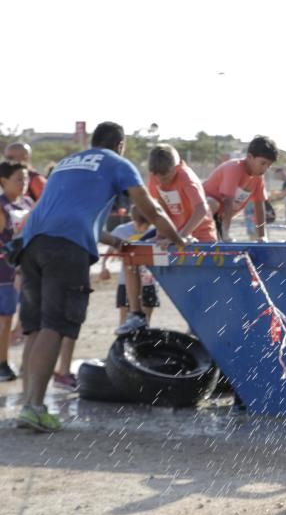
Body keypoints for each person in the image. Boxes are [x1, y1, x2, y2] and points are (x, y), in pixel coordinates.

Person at [14, 122, 185, 433]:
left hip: (32, 244)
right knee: (56, 325)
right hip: (65, 251)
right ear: (120, 145)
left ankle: (27, 404)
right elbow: (152, 210)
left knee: (35, 327)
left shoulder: (67, 163)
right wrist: (180, 240)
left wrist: (113, 240)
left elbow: (65, 213)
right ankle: (35, 408)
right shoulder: (117, 163)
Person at [111, 144, 216, 335]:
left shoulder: (186, 177)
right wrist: (162, 235)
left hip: (198, 236)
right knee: (131, 253)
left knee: (197, 286)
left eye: (167, 178)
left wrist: (181, 236)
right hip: (172, 235)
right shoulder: (154, 178)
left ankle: (200, 324)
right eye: (158, 179)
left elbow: (201, 209)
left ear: (175, 168)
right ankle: (136, 314)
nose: (163, 183)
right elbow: (157, 210)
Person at [203, 135, 277, 242]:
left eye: (269, 165)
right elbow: (228, 201)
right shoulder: (234, 168)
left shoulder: (258, 177)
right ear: (250, 157)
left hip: (217, 218)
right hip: (198, 213)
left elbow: (259, 206)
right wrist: (226, 234)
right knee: (213, 203)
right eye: (263, 163)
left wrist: (262, 236)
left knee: (218, 249)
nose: (265, 168)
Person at [0, 162, 34, 381]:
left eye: (25, 179)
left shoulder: (29, 202)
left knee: (24, 317)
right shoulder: (1, 206)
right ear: (3, 181)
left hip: (25, 269)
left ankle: (26, 363)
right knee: (5, 318)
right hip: (3, 271)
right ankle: (2, 363)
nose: (23, 184)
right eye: (18, 179)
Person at [103, 206, 159, 331]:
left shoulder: (156, 231)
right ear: (133, 219)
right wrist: (104, 267)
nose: (143, 229)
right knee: (125, 320)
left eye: (146, 226)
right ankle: (124, 346)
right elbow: (109, 253)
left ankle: (142, 346)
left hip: (148, 281)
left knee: (145, 321)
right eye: (141, 226)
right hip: (126, 282)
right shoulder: (121, 231)